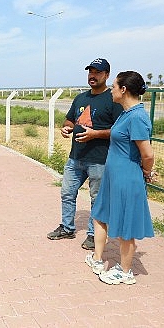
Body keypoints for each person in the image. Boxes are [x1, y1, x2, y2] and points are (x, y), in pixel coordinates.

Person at [85, 71, 156, 285]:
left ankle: (125, 272)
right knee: (99, 214)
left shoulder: (137, 117)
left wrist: (146, 171)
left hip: (127, 178)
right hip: (112, 177)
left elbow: (147, 154)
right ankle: (98, 258)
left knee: (125, 226)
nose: (111, 90)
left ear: (123, 89)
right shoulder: (125, 114)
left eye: (114, 86)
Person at [47, 58, 123, 250]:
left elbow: (119, 130)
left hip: (99, 160)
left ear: (106, 75)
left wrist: (95, 134)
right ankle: (67, 227)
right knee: (67, 192)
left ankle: (93, 234)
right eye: (90, 72)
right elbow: (70, 120)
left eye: (97, 72)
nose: (92, 75)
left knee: (96, 198)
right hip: (76, 158)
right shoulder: (80, 98)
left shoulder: (113, 99)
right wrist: (66, 128)